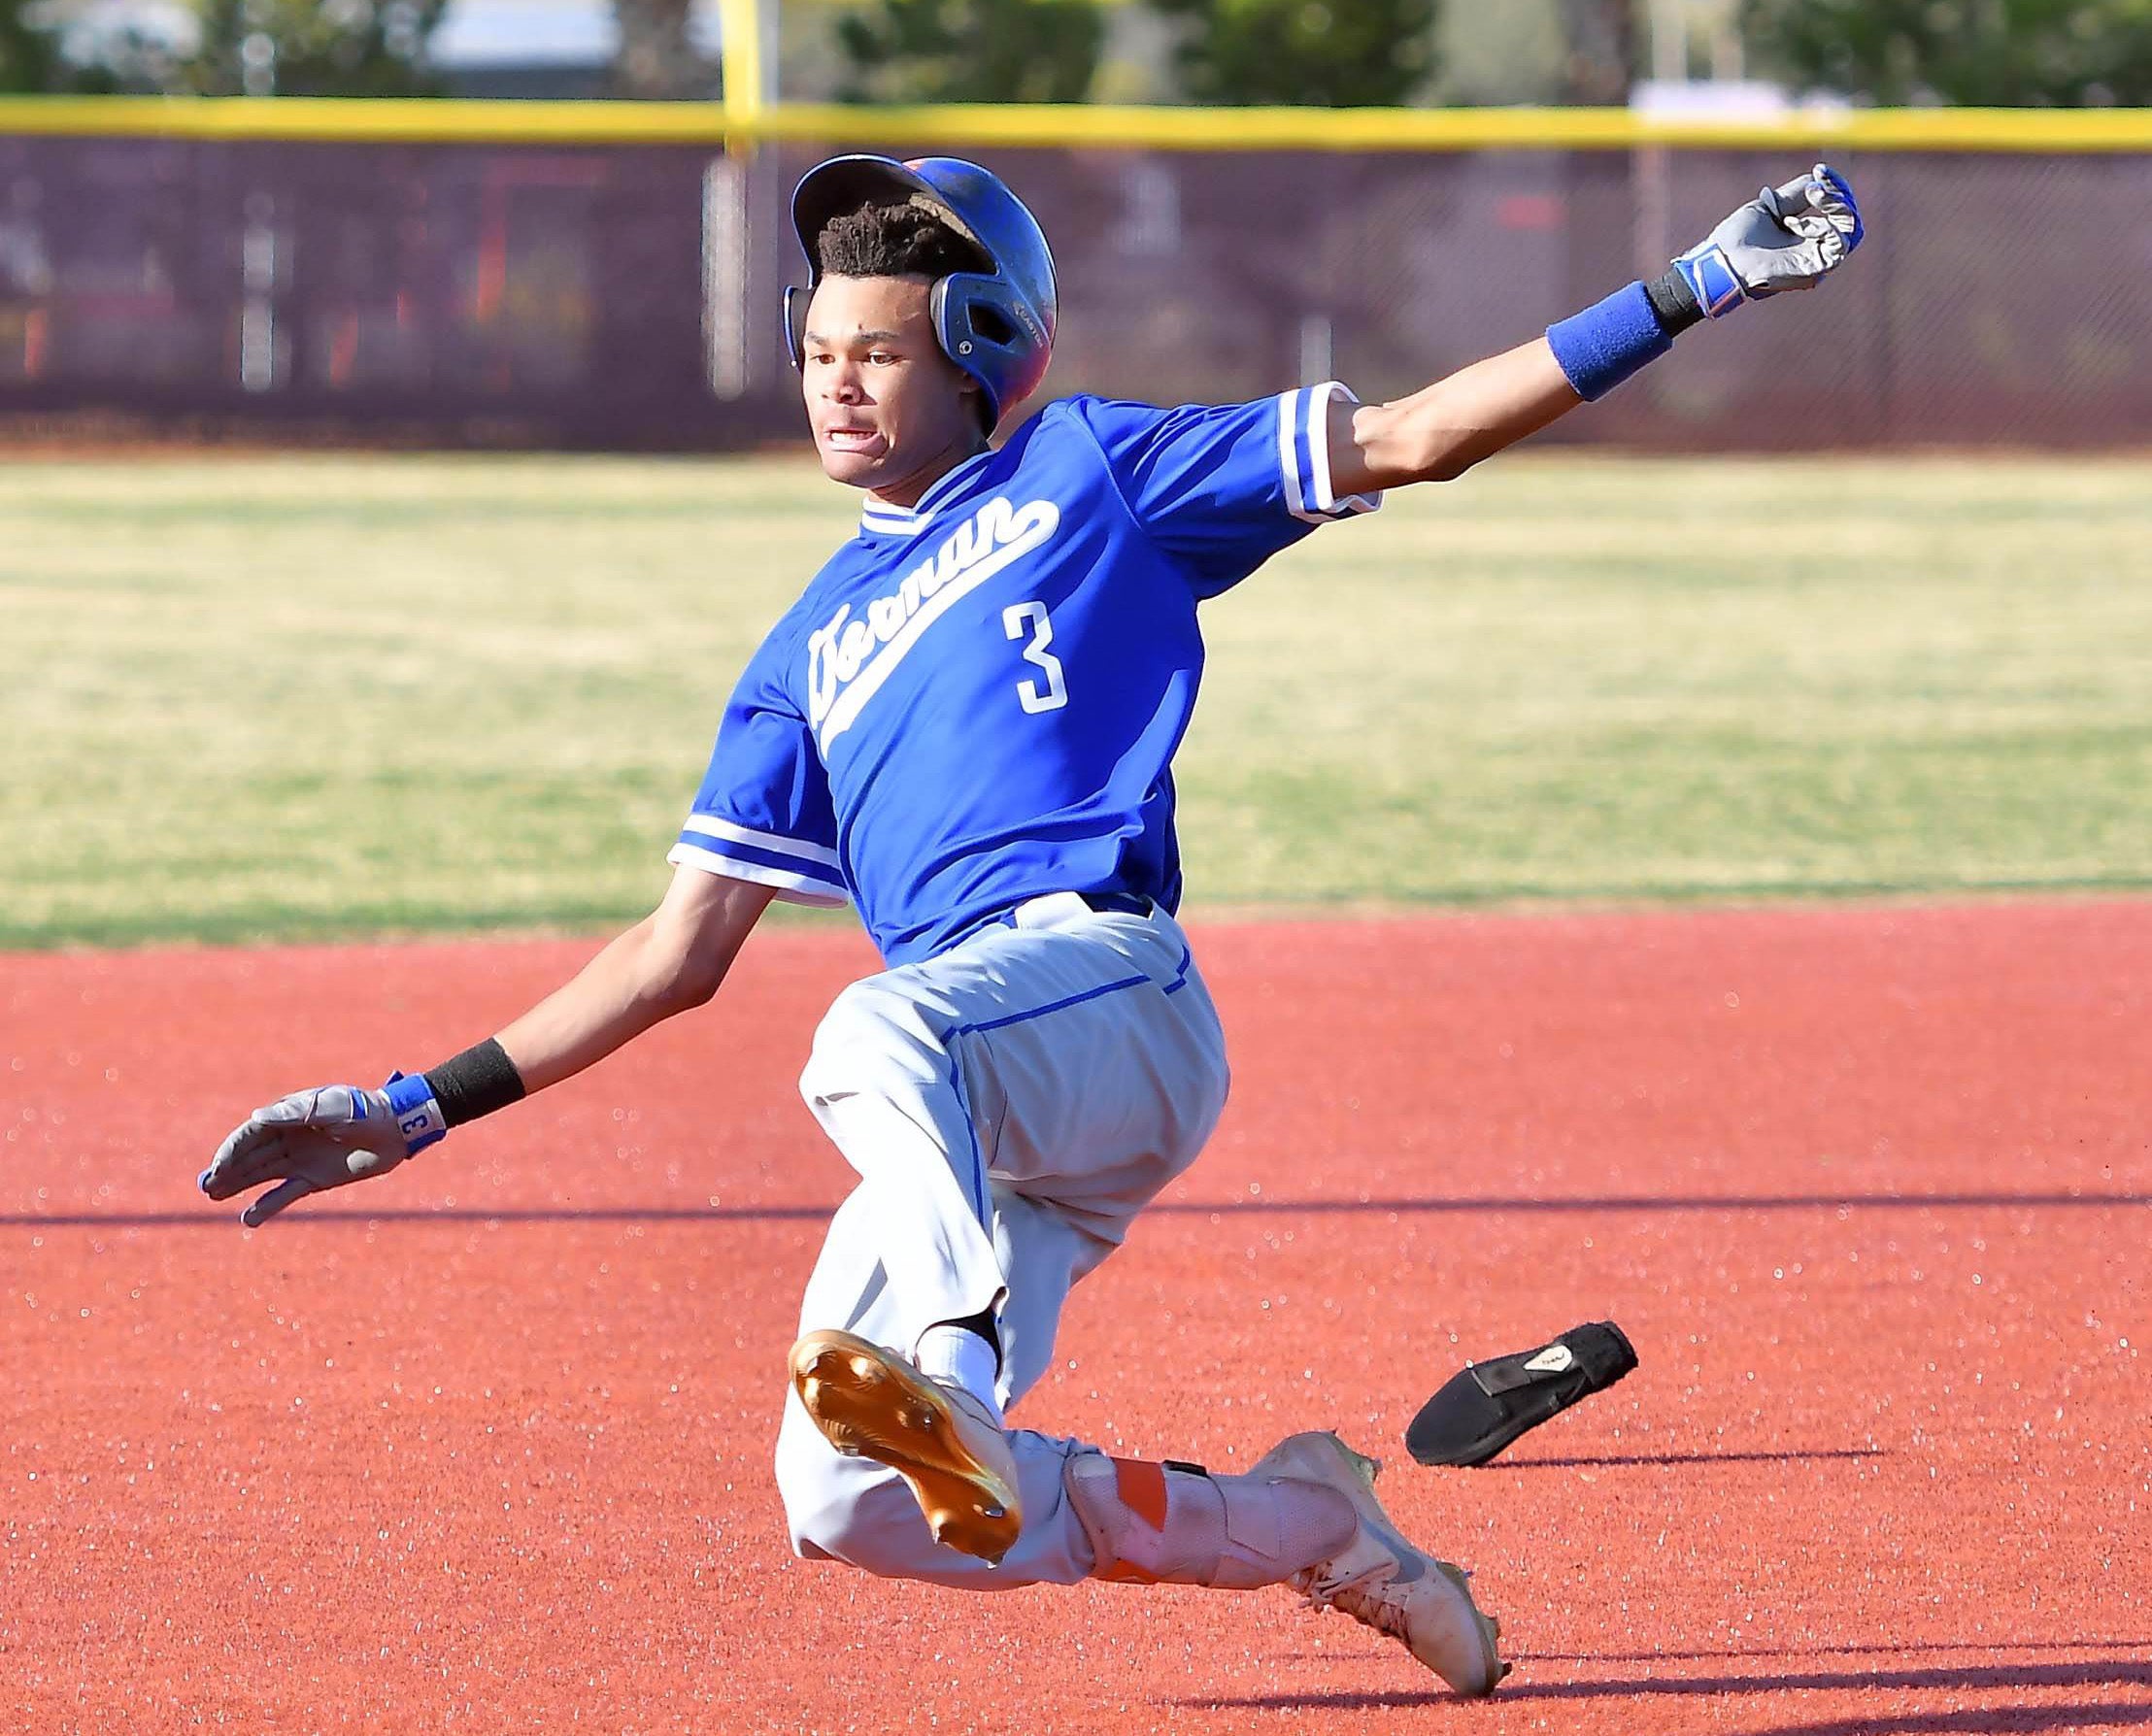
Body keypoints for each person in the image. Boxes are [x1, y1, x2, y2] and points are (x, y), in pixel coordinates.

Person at [200, 153, 1862, 1694]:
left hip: (1104, 1001)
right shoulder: (804, 655)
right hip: (986, 1126)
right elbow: (674, 953)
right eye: (820, 348)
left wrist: (1692, 287)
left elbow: (1416, 436)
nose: (836, 380)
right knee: (841, 1499)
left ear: (988, 349)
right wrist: (416, 1107)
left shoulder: (1093, 472)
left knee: (868, 1028)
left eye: (882, 351)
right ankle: (1302, 1529)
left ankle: (958, 1371)